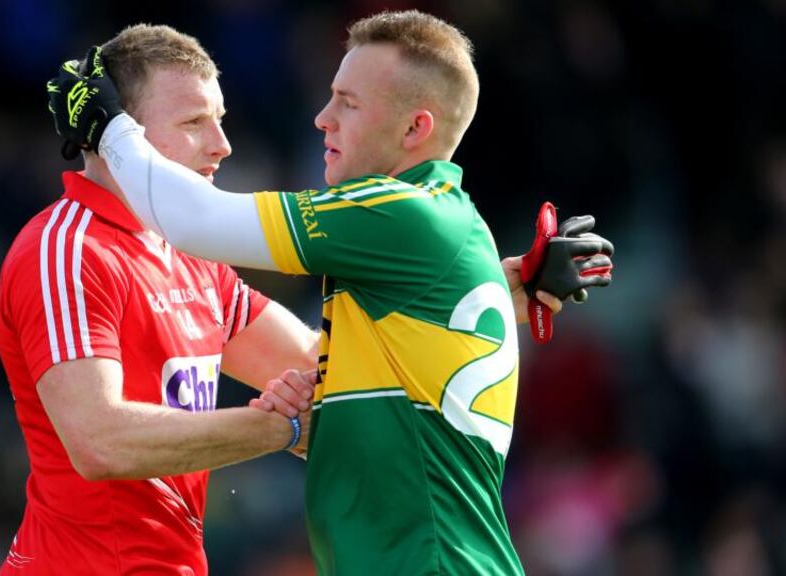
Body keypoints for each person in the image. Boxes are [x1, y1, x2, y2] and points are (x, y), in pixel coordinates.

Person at [48, 10, 613, 576]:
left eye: (349, 103)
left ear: (415, 129)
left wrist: (109, 125)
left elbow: (193, 219)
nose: (323, 119)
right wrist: (507, 284)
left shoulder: (396, 212)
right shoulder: (438, 228)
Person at [0, 25, 322, 575]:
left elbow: (321, 369)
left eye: (220, 119)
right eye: (194, 122)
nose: (222, 144)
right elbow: (102, 442)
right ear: (117, 134)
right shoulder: (69, 249)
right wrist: (280, 427)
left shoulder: (192, 254)